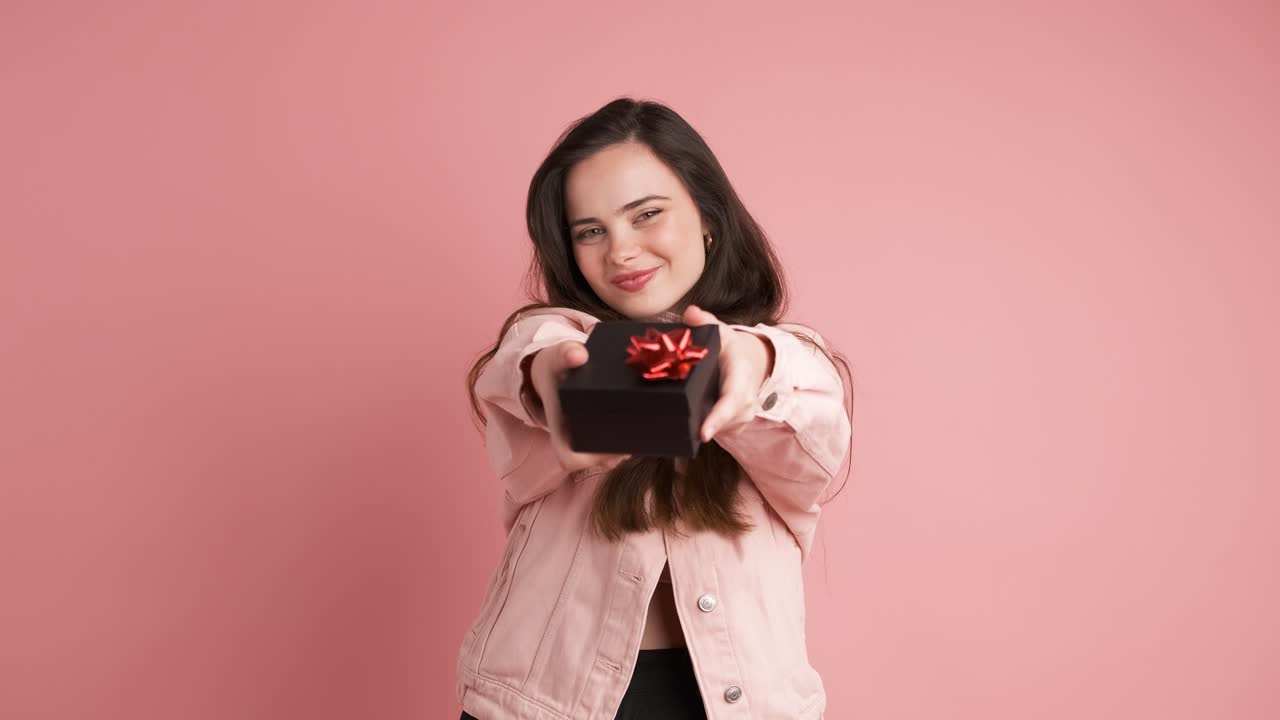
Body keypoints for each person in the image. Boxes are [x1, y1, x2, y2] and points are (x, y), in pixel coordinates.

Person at [456, 97, 853, 720]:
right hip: (546, 704)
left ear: (708, 218)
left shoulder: (793, 362)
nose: (620, 250)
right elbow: (526, 363)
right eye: (591, 230)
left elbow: (814, 438)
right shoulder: (554, 335)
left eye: (646, 214)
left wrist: (749, 364)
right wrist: (555, 380)